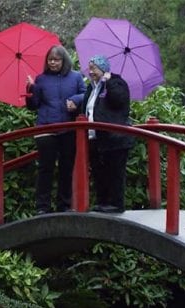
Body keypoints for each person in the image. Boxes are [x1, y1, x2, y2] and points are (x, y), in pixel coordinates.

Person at [26, 45, 86, 215]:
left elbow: (86, 94)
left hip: (69, 128)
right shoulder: (41, 79)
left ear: (64, 60)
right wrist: (31, 89)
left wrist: (75, 99)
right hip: (46, 127)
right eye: (50, 59)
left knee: (66, 168)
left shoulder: (76, 77)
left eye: (56, 59)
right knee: (46, 168)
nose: (52, 62)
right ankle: (42, 207)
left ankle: (64, 205)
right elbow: (33, 106)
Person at [77, 55, 134, 213]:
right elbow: (88, 108)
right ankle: (103, 202)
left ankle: (116, 204)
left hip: (115, 137)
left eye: (94, 68)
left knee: (115, 171)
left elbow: (119, 100)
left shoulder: (116, 82)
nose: (91, 71)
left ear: (103, 69)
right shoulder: (92, 87)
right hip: (95, 137)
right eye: (90, 68)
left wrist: (108, 82)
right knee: (99, 172)